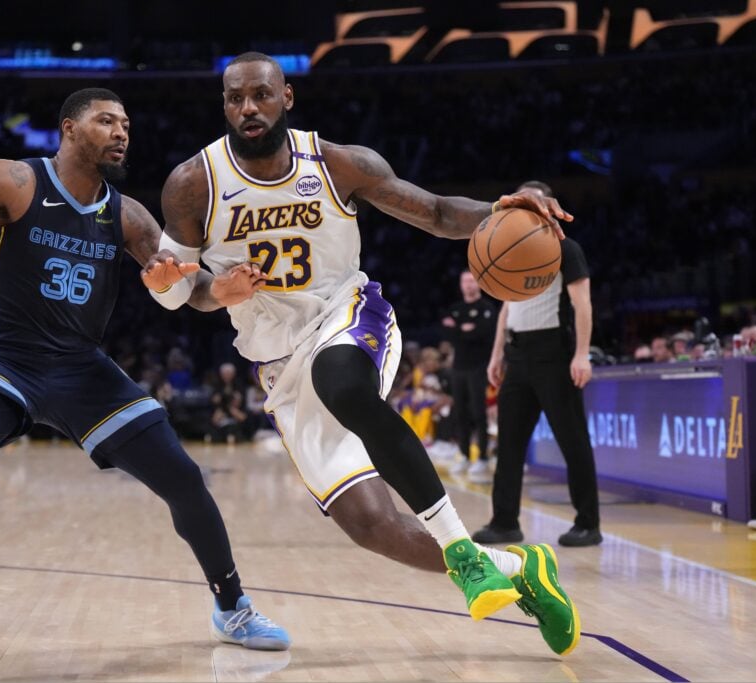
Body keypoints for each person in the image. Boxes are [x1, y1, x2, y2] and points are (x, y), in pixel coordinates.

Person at [143, 52, 580, 656]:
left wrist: (502, 210)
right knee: (374, 528)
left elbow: (434, 212)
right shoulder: (192, 183)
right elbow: (180, 290)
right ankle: (517, 568)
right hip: (278, 362)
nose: (249, 108)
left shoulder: (339, 164)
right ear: (224, 105)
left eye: (261, 96)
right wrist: (215, 290)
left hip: (348, 317)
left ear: (286, 98)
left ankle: (460, 547)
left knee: (342, 381)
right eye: (236, 98)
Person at [0, 89, 290, 671]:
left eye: (126, 122)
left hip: (78, 366)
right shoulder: (14, 181)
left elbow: (179, 286)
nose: (121, 131)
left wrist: (216, 293)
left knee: (182, 474)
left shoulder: (126, 215)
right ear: (69, 129)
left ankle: (234, 608)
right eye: (106, 121)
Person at [472, 180, 602, 549]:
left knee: (572, 441)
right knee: (510, 444)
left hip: (554, 355)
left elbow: (583, 304)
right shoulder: (508, 247)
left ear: (548, 206)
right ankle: (504, 522)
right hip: (517, 356)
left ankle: (588, 524)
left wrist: (581, 354)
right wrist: (497, 354)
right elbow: (506, 307)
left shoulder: (566, 248)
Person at [442, 270, 497, 483]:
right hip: (458, 367)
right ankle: (464, 454)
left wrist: (461, 330)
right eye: (464, 280)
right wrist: (465, 331)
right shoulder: (455, 308)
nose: (468, 285)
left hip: (478, 367)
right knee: (460, 412)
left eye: (472, 281)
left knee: (479, 412)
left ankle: (481, 456)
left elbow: (483, 334)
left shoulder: (487, 308)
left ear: (479, 284)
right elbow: (447, 334)